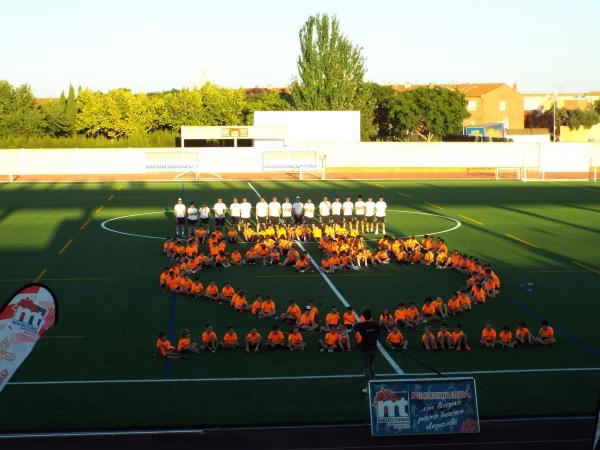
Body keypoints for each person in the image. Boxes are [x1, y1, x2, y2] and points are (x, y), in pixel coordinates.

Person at [353, 308, 381, 393]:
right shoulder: (375, 324)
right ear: (371, 315)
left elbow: (354, 328)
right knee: (372, 364)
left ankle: (368, 387)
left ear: (363, 316)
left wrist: (355, 324)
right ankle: (374, 384)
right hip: (373, 348)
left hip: (364, 349)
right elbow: (379, 334)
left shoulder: (360, 325)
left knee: (366, 367)